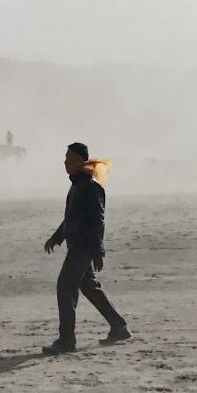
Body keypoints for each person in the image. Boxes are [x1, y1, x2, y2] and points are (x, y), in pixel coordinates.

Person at [43, 142, 131, 353]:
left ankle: (67, 340)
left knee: (65, 288)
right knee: (89, 287)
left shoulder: (90, 186)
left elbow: (98, 221)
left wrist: (98, 250)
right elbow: (71, 218)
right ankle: (119, 327)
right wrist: (57, 237)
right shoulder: (77, 185)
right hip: (77, 244)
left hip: (83, 247)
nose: (64, 162)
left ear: (78, 161)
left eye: (68, 158)